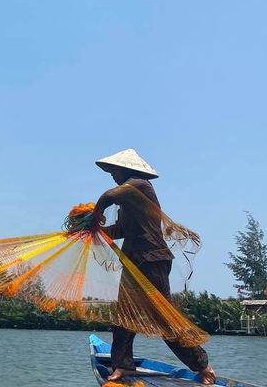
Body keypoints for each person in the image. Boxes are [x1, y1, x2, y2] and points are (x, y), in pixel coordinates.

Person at [92, 148, 215, 385]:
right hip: (134, 262)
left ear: (125, 169)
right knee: (123, 317)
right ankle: (123, 366)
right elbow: (122, 230)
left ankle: (202, 366)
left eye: (113, 170)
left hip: (152, 260)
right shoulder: (128, 201)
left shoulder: (139, 185)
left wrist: (94, 216)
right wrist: (92, 231)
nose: (111, 175)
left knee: (164, 318)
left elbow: (108, 196)